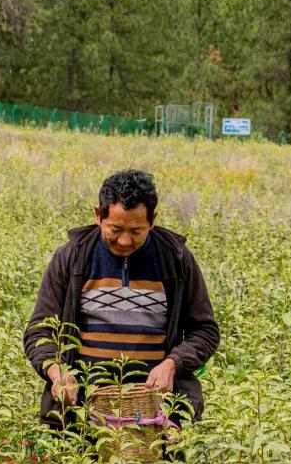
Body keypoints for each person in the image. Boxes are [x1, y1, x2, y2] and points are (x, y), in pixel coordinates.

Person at [23, 169, 220, 428]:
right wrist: (56, 371)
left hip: (155, 415)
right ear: (98, 215)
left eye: (136, 231)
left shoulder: (176, 259)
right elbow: (39, 332)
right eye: (115, 229)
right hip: (81, 415)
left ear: (153, 220)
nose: (125, 240)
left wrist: (173, 363)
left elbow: (205, 330)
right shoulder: (72, 258)